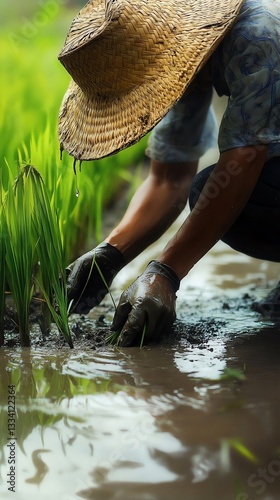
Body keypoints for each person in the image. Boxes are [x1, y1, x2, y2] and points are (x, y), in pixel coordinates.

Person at [58, 0, 280, 346]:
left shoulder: (257, 35)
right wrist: (110, 254)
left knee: (231, 192)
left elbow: (247, 157)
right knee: (207, 188)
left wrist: (166, 271)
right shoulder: (183, 61)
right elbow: (168, 178)